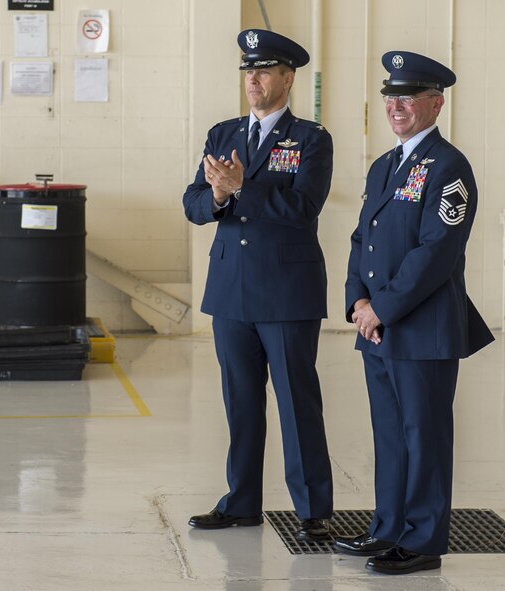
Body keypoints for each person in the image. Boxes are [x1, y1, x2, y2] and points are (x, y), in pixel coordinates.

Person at [335, 51, 494, 574]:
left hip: (420, 328)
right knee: (389, 433)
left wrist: (382, 307)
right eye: (390, 97)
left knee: (423, 434)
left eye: (408, 97)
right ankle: (388, 528)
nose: (396, 107)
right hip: (377, 328)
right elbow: (363, 238)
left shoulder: (450, 168)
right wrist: (358, 301)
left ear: (436, 103)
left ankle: (423, 541)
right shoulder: (386, 165)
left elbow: (436, 252)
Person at [183, 29, 334, 542]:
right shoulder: (223, 133)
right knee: (240, 400)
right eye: (248, 70)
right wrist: (220, 199)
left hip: (287, 291)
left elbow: (302, 208)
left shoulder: (311, 139)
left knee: (296, 401)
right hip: (231, 290)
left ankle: (313, 509)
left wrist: (242, 187)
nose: (254, 79)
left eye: (264, 70)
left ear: (288, 78)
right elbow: (193, 202)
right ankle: (241, 501)